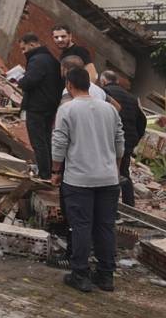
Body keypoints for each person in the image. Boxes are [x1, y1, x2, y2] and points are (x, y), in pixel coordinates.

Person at [52, 68, 124, 293]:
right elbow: (120, 141)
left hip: (79, 179)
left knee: (81, 226)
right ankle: (106, 275)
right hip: (108, 179)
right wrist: (115, 168)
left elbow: (59, 142)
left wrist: (56, 171)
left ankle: (80, 274)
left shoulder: (67, 109)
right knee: (105, 226)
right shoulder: (110, 110)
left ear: (69, 86)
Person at [16, 33, 62, 180]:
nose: (23, 52)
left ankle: (44, 173)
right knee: (45, 139)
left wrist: (20, 81)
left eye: (24, 49)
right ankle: (47, 171)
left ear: (32, 45)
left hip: (37, 106)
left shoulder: (37, 60)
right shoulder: (51, 59)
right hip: (50, 105)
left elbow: (30, 81)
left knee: (38, 141)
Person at [100, 71, 146, 206]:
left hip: (109, 139)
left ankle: (108, 205)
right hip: (128, 140)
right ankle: (129, 204)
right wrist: (135, 138)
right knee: (123, 172)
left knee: (106, 172)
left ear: (103, 81)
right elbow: (142, 121)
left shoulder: (104, 94)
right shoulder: (131, 97)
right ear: (117, 81)